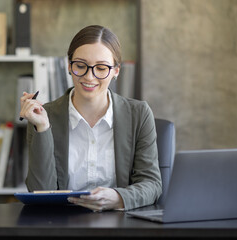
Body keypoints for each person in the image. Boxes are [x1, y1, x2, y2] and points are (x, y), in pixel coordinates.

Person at [19, 25, 162, 211]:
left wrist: (118, 197)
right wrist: (43, 128)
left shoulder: (139, 114)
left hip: (121, 223)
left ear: (116, 71)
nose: (89, 76)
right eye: (80, 66)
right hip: (62, 223)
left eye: (101, 68)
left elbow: (152, 184)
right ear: (69, 66)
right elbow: (41, 192)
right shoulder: (44, 117)